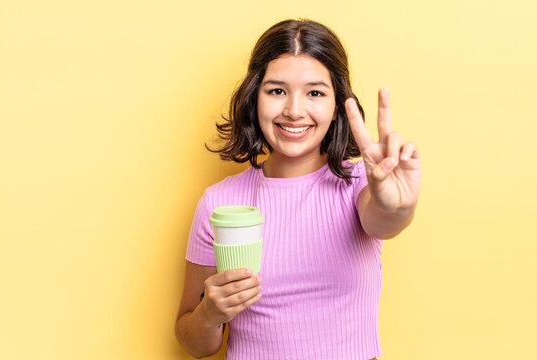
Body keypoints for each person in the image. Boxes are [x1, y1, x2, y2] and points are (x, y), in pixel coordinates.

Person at [174, 18, 421, 360]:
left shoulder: (360, 185)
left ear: (337, 106)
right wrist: (209, 314)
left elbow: (385, 218)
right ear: (253, 97)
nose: (293, 111)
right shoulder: (220, 202)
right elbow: (193, 341)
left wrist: (397, 206)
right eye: (276, 90)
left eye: (315, 93)